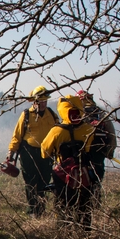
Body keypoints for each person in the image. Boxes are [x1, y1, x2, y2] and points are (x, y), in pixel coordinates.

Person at [41, 94, 97, 229]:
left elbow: (44, 153)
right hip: (83, 172)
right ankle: (85, 231)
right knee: (84, 204)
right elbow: (88, 149)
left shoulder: (56, 131)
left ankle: (63, 231)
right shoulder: (89, 129)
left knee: (62, 204)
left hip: (62, 173)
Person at [7, 85, 58, 216]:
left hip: (47, 154)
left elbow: (59, 133)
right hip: (29, 153)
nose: (43, 104)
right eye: (40, 101)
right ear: (34, 102)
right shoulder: (26, 115)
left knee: (45, 181)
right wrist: (11, 153)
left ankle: (40, 209)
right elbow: (17, 136)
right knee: (31, 181)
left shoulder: (52, 115)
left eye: (45, 101)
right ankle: (32, 209)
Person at [77, 90, 116, 195]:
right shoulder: (101, 113)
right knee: (97, 178)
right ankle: (96, 202)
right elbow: (111, 134)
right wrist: (110, 151)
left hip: (82, 151)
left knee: (83, 179)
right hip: (99, 151)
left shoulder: (78, 113)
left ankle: (84, 203)